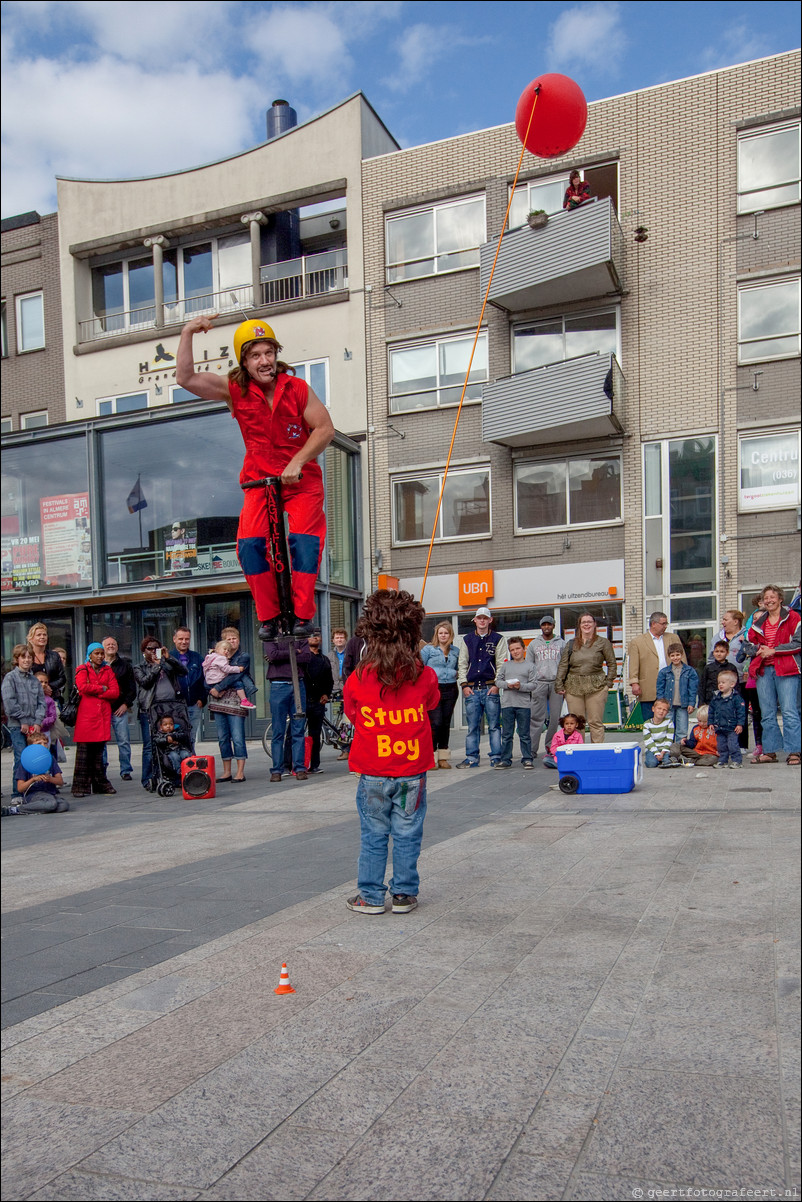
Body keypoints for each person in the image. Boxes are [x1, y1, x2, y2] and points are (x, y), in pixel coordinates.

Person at [176, 315, 335, 640]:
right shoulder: (234, 390)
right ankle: (270, 615)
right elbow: (186, 378)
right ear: (244, 361)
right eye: (256, 355)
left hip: (301, 481)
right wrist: (188, 331)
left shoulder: (297, 389)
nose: (265, 362)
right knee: (249, 546)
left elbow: (325, 429)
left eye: (269, 353)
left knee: (305, 541)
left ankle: (303, 614)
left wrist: (299, 460)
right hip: (259, 482)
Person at [343, 589, 440, 915]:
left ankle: (370, 896)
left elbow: (354, 715)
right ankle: (403, 894)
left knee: (373, 834)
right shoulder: (424, 675)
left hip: (373, 771)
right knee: (408, 832)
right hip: (411, 771)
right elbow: (432, 703)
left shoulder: (358, 678)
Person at [743, 585, 801, 766]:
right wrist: (760, 650)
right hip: (764, 671)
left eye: (771, 597)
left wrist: (774, 651)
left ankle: (794, 751)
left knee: (790, 711)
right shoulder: (759, 621)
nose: (768, 600)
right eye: (765, 598)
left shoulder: (793, 617)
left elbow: (798, 644)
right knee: (767, 713)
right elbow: (747, 644)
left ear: (780, 598)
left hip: (787, 670)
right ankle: (770, 751)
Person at [456, 606, 508, 768]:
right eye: (480, 618)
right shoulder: (467, 639)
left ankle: (496, 756)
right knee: (472, 727)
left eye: (485, 618)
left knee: (494, 725)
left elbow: (501, 664)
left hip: (490, 687)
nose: (482, 621)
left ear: (490, 620)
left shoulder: (498, 639)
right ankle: (471, 758)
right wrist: (464, 685)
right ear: (475, 620)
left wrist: (497, 685)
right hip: (471, 688)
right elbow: (462, 663)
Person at [134, 639, 188, 789]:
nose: (153, 651)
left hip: (171, 707)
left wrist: (168, 657)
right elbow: (145, 682)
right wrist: (157, 666)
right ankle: (148, 779)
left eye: (156, 648)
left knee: (176, 741)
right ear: (143, 651)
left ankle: (175, 776)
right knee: (150, 746)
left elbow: (184, 671)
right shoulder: (139, 667)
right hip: (150, 709)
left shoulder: (167, 663)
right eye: (150, 649)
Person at [555, 614, 617, 744]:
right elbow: (563, 664)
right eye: (584, 622)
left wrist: (608, 683)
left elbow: (612, 663)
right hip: (573, 687)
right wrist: (559, 684)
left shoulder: (603, 642)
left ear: (595, 624)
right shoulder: (571, 644)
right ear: (579, 625)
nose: (587, 624)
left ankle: (597, 753)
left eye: (589, 622)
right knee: (577, 723)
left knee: (595, 722)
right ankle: (579, 753)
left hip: (597, 686)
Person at [72, 643, 119, 797]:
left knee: (98, 755)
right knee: (84, 755)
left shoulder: (108, 670)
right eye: (96, 653)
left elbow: (115, 692)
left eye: (101, 653)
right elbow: (82, 687)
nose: (99, 656)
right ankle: (80, 787)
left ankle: (100, 784)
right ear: (90, 655)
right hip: (86, 717)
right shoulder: (82, 669)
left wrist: (97, 691)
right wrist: (102, 689)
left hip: (102, 717)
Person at [264, 634, 312, 782]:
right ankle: (277, 770)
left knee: (298, 729)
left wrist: (281, 655)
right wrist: (295, 652)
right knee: (278, 730)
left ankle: (299, 768)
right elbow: (272, 654)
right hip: (279, 685)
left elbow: (307, 657)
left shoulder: (300, 635)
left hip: (298, 683)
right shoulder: (270, 636)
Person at [627, 612, 685, 721]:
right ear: (653, 624)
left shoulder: (673, 638)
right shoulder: (637, 642)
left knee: (671, 721)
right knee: (650, 720)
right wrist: (634, 683)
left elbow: (683, 660)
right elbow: (633, 664)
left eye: (666, 623)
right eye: (663, 623)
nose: (665, 626)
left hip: (671, 685)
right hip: (648, 687)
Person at [2, 645, 46, 779]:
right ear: (17, 659)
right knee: (21, 757)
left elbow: (41, 702)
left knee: (37, 757)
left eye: (29, 657)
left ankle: (36, 787)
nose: (27, 660)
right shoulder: (10, 678)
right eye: (23, 657)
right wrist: (23, 720)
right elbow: (9, 702)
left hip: (34, 725)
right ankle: (17, 792)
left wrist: (38, 721)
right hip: (17, 725)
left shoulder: (34, 680)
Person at [420, 621, 460, 769]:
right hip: (433, 689)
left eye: (446, 633)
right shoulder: (428, 650)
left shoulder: (455, 651)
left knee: (445, 722)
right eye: (441, 633)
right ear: (437, 634)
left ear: (450, 635)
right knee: (435, 723)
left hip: (450, 688)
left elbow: (458, 667)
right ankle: (431, 756)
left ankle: (443, 757)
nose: (443, 635)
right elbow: (420, 668)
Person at [525, 615, 566, 760]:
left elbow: (564, 665)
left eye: (549, 624)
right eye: (544, 625)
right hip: (539, 683)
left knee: (555, 718)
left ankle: (551, 747)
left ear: (553, 626)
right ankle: (531, 749)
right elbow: (529, 665)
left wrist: (563, 683)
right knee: (536, 717)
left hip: (556, 683)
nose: (546, 627)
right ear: (541, 626)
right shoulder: (533, 644)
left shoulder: (561, 643)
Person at [494, 636, 536, 769]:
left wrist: (520, 686)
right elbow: (498, 681)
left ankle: (527, 758)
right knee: (506, 734)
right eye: (512, 650)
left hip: (523, 704)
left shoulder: (530, 666)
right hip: (507, 704)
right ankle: (505, 759)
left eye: (518, 648)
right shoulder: (506, 665)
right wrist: (507, 685)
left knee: (524, 734)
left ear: (524, 649)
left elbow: (534, 685)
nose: (515, 652)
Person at [101, 637, 137, 780]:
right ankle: (102, 769)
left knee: (123, 740)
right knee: (101, 742)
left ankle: (125, 770)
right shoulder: (97, 664)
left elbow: (131, 689)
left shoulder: (125, 665)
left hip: (119, 709)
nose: (111, 646)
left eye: (114, 644)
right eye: (108, 644)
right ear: (103, 647)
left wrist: (125, 704)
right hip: (102, 710)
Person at [14, 732, 69, 812]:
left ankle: (41, 807)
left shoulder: (50, 759)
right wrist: (33, 779)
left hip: (50, 793)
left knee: (63, 805)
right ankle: (17, 809)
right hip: (33, 794)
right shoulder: (25, 761)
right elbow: (20, 788)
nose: (43, 746)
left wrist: (50, 779)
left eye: (45, 743)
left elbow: (60, 782)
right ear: (31, 747)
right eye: (39, 744)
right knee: (51, 804)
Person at [304, 627, 334, 773]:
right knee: (295, 733)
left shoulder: (324, 659)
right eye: (311, 635)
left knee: (315, 733)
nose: (315, 637)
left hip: (318, 701)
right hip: (303, 700)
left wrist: (326, 694)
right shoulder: (302, 657)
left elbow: (329, 680)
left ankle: (314, 764)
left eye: (317, 635)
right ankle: (290, 764)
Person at [171, 627, 207, 747]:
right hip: (175, 706)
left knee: (191, 738)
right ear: (174, 639)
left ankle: (189, 762)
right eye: (181, 639)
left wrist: (202, 699)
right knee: (176, 737)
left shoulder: (197, 657)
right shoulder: (168, 658)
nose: (184, 641)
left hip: (194, 705)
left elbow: (204, 679)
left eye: (187, 639)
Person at [655, 644, 698, 741]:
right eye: (673, 656)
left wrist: (691, 703)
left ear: (682, 655)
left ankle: (679, 751)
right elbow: (660, 689)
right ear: (669, 657)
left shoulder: (690, 671)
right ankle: (668, 751)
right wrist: (661, 704)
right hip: (668, 705)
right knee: (667, 729)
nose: (675, 658)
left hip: (683, 705)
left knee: (682, 730)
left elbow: (693, 689)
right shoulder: (664, 672)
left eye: (678, 655)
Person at [708, 667, 746, 769]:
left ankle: (737, 761)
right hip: (719, 727)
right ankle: (722, 761)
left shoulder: (736, 698)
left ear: (732, 684)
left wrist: (740, 724)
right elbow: (711, 711)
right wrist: (710, 722)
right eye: (719, 682)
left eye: (723, 682)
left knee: (733, 745)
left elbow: (741, 712)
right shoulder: (716, 698)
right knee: (721, 746)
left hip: (732, 727)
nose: (720, 684)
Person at [202, 641, 256, 708]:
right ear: (217, 649)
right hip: (217, 679)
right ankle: (244, 700)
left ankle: (219, 693)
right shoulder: (221, 658)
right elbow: (226, 669)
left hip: (210, 681)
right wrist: (238, 669)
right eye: (224, 649)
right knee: (238, 683)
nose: (226, 651)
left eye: (228, 650)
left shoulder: (211, 657)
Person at [26, 622, 67, 703]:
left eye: (44, 635)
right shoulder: (27, 657)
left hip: (52, 698)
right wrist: (41, 688)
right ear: (31, 638)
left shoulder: (54, 656)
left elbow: (62, 678)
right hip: (32, 700)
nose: (42, 637)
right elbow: (23, 679)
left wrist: (49, 686)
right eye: (39, 635)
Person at [642, 698, 683, 768]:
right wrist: (656, 753)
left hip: (665, 748)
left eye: (664, 710)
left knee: (667, 761)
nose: (661, 711)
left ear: (667, 712)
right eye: (659, 708)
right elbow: (648, 742)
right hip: (652, 749)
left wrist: (663, 752)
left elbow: (669, 739)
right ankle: (657, 760)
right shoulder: (646, 724)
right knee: (651, 764)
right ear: (653, 709)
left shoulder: (669, 723)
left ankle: (666, 759)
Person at [699, 640, 731, 705]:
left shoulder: (731, 668)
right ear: (713, 653)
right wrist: (701, 702)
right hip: (710, 701)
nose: (719, 654)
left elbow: (736, 687)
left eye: (722, 652)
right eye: (716, 651)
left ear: (727, 653)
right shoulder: (708, 668)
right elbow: (702, 686)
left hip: (727, 701)